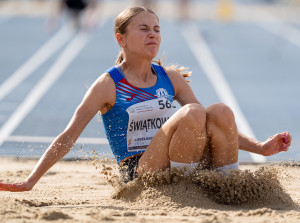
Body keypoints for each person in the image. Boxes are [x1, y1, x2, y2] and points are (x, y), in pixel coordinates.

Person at [0, 6, 292, 191]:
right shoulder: (107, 85)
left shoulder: (170, 78)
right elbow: (68, 136)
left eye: (157, 30)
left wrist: (261, 148)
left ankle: (229, 188)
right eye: (144, 29)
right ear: (121, 38)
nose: (153, 35)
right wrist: (30, 181)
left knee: (220, 111)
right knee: (192, 112)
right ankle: (183, 190)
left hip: (180, 159)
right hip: (141, 171)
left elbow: (211, 125)